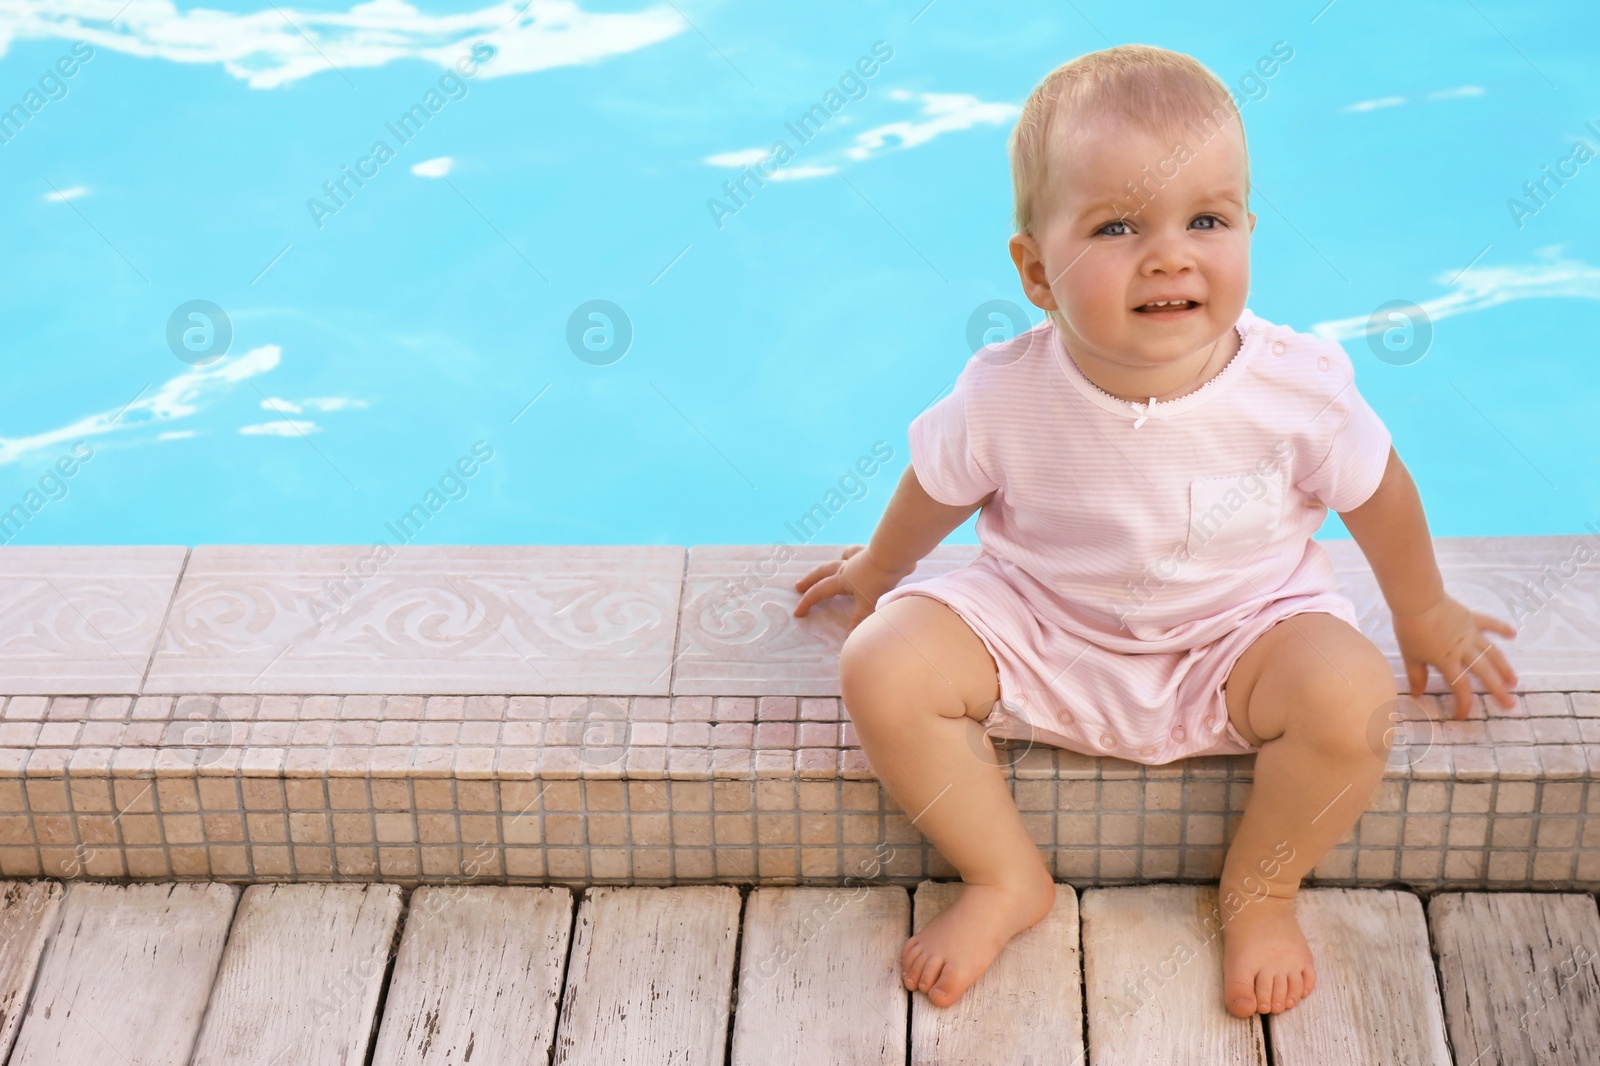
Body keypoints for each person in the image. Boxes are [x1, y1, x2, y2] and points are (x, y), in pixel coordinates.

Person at [791, 43, 1518, 1019]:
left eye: (1206, 220)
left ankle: (1259, 888)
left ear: (1250, 230)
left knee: (1349, 700)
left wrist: (1422, 609)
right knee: (881, 662)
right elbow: (938, 483)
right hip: (1040, 624)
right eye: (1117, 225)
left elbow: (1376, 490)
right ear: (1037, 271)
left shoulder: (1293, 389)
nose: (1170, 253)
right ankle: (1005, 876)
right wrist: (880, 568)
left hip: (1240, 635)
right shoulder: (1006, 391)